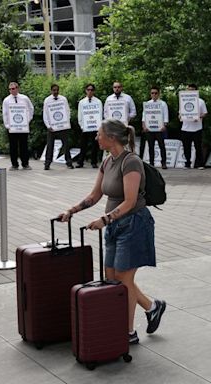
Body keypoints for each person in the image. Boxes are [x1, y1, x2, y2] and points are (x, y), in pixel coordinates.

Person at [58, 118, 166, 344]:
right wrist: (73, 210)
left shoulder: (131, 162)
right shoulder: (107, 162)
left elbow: (129, 201)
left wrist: (104, 219)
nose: (96, 137)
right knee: (112, 278)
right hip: (115, 226)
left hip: (134, 224)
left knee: (124, 280)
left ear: (111, 138)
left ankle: (128, 333)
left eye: (99, 134)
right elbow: (95, 195)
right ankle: (152, 306)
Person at [2, 82, 34, 170]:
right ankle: (14, 164)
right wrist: (7, 125)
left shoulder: (24, 98)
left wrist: (27, 120)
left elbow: (30, 109)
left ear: (17, 88)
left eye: (13, 88)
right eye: (10, 89)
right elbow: (4, 113)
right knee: (13, 146)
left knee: (24, 145)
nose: (12, 90)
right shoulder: (6, 100)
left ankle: (25, 164)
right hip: (12, 127)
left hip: (23, 126)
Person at [43, 84, 73, 170]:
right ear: (51, 91)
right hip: (52, 127)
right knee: (50, 145)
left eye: (57, 90)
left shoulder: (63, 99)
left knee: (66, 145)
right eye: (54, 90)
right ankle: (47, 163)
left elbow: (67, 111)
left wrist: (66, 123)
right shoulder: (47, 100)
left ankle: (69, 162)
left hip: (62, 126)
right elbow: (45, 113)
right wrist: (48, 126)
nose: (55, 92)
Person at [180, 84, 207, 169]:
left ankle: (200, 164)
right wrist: (180, 117)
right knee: (186, 147)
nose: (190, 91)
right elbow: (180, 113)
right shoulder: (183, 100)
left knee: (198, 146)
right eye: (189, 89)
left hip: (197, 128)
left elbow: (205, 113)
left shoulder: (201, 101)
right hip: (185, 127)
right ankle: (187, 163)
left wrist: (199, 117)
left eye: (192, 90)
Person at [142, 86, 169, 169]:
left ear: (159, 94)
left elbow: (165, 115)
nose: (154, 95)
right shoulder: (147, 104)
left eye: (155, 93)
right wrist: (144, 126)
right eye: (152, 93)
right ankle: (151, 163)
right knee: (151, 146)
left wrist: (165, 125)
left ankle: (163, 163)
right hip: (149, 129)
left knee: (162, 146)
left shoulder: (163, 103)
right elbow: (144, 117)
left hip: (159, 129)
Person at [76, 83, 102, 168]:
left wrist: (99, 126)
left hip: (95, 127)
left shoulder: (98, 102)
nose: (90, 91)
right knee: (83, 145)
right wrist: (82, 126)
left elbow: (100, 114)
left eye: (91, 90)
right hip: (85, 127)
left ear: (94, 91)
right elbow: (80, 115)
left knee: (95, 145)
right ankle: (80, 162)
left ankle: (93, 162)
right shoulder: (82, 102)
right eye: (88, 90)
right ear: (85, 91)